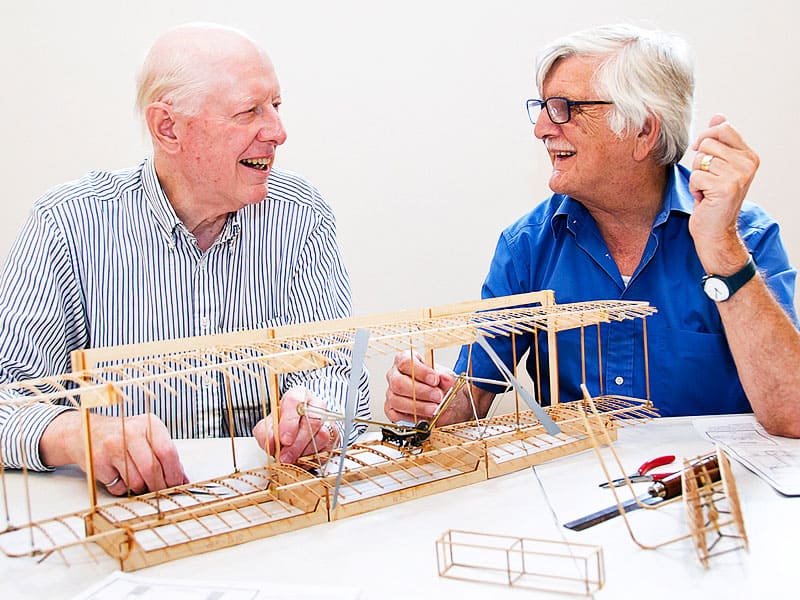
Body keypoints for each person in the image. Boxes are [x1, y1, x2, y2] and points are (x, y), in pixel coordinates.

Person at [0, 23, 370, 495]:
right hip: (127, 516)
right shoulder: (67, 225)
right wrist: (79, 435)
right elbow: (7, 396)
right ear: (168, 128)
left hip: (266, 505)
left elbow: (340, 373)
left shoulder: (301, 215)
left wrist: (318, 417)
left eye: (275, 106)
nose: (278, 132)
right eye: (248, 112)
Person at [385, 24, 800, 438]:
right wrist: (427, 397)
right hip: (577, 492)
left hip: (712, 490)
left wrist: (723, 250)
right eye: (543, 106)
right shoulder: (527, 246)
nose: (542, 128)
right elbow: (469, 400)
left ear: (643, 130)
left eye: (564, 107)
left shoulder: (745, 236)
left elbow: (792, 414)